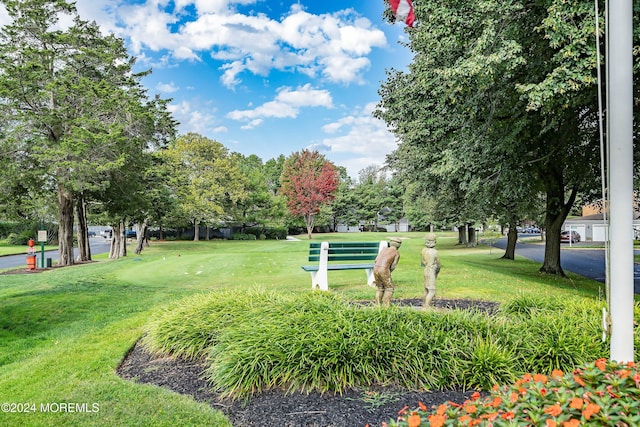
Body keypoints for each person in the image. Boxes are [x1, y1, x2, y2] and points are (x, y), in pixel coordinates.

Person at [373, 237, 402, 306]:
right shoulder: (396, 253)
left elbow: (376, 260)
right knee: (389, 288)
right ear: (399, 245)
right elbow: (393, 266)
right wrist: (388, 272)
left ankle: (377, 306)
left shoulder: (384, 250)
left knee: (380, 288)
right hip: (384, 269)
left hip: (376, 268)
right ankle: (386, 306)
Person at [421, 233, 440, 308]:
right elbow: (438, 264)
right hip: (431, 270)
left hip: (426, 270)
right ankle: (427, 306)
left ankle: (424, 304)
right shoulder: (435, 252)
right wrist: (437, 272)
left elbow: (423, 262)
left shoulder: (423, 251)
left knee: (426, 289)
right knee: (432, 291)